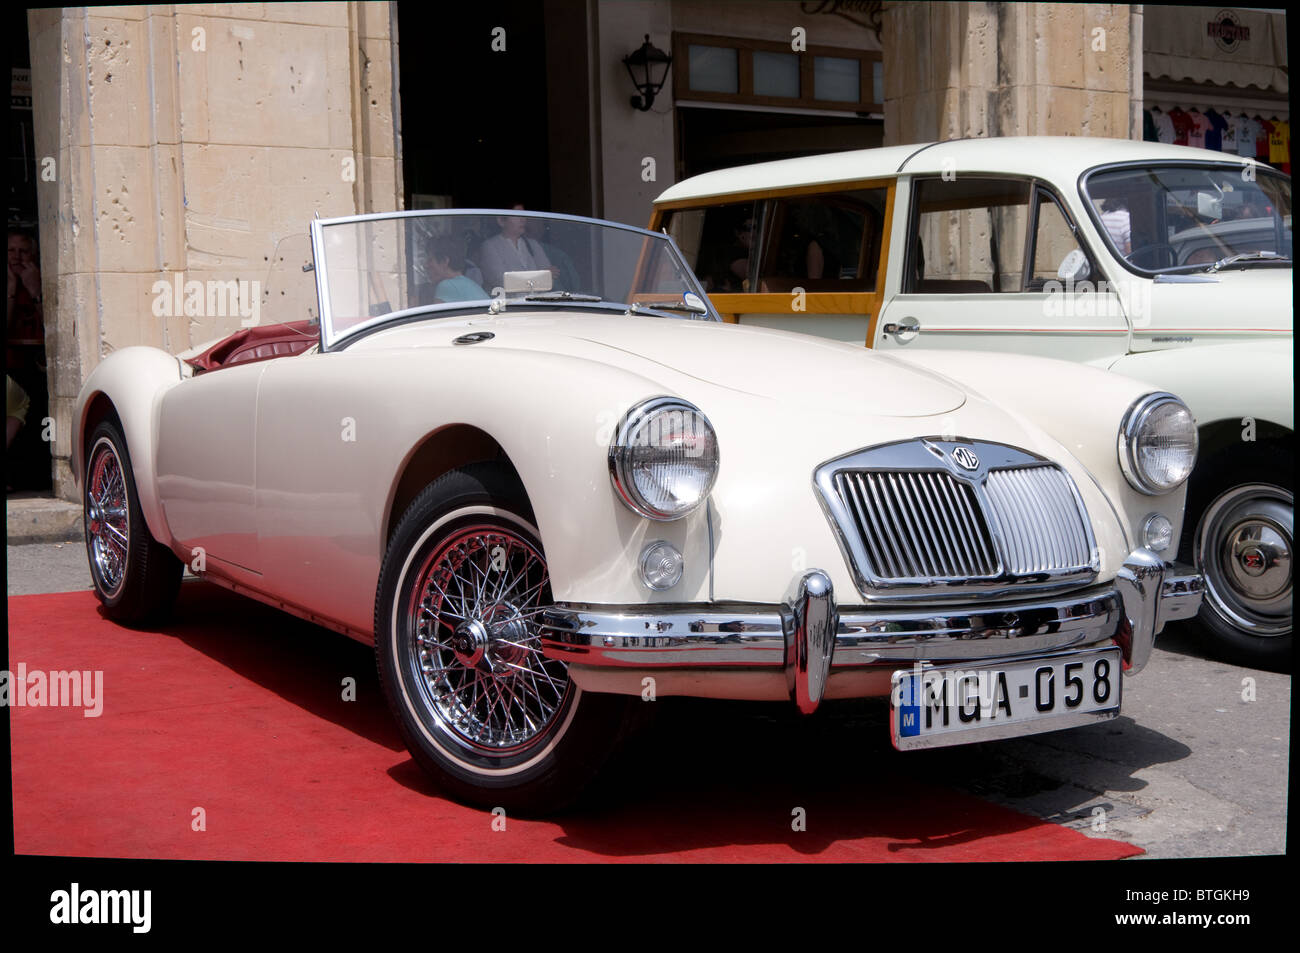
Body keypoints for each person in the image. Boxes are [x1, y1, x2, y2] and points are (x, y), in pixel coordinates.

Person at [476, 204, 557, 293]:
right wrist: (540, 277)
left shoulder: (533, 244)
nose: (523, 220)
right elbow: (502, 282)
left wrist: (543, 277)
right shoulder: (489, 246)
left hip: (534, 304)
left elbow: (550, 281)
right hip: (506, 305)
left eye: (524, 215)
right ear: (501, 221)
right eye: (517, 215)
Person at [424, 235, 488, 304]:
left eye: (430, 260)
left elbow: (436, 315)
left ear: (444, 261)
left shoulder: (446, 285)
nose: (425, 265)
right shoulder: (469, 284)